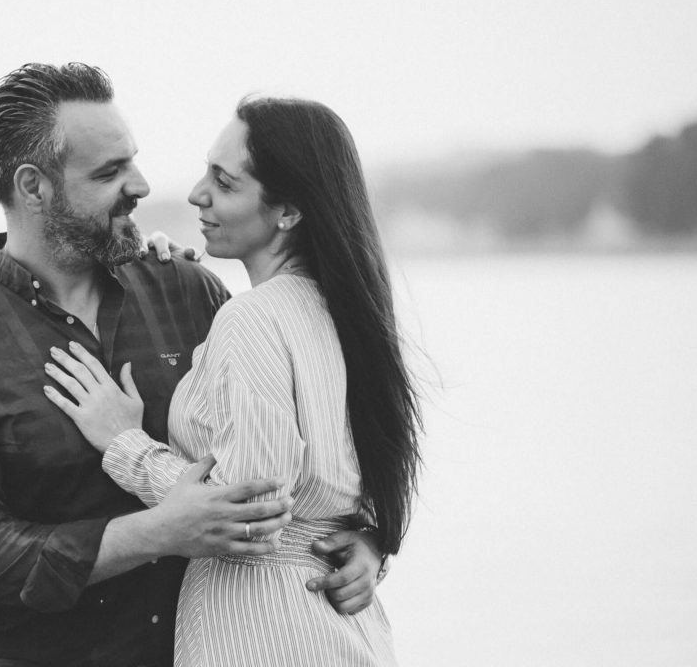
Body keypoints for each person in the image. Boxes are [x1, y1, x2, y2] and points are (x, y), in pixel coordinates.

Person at [0, 62, 387, 667]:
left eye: (132, 159)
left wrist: (366, 539)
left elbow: (309, 442)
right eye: (110, 172)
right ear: (33, 187)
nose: (143, 185)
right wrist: (162, 530)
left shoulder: (189, 292)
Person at [45, 96, 422, 666]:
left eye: (223, 182)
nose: (197, 194)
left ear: (288, 212)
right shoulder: (345, 313)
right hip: (344, 634)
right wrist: (370, 540)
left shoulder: (252, 318)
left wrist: (124, 445)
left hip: (262, 633)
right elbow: (345, 484)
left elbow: (250, 514)